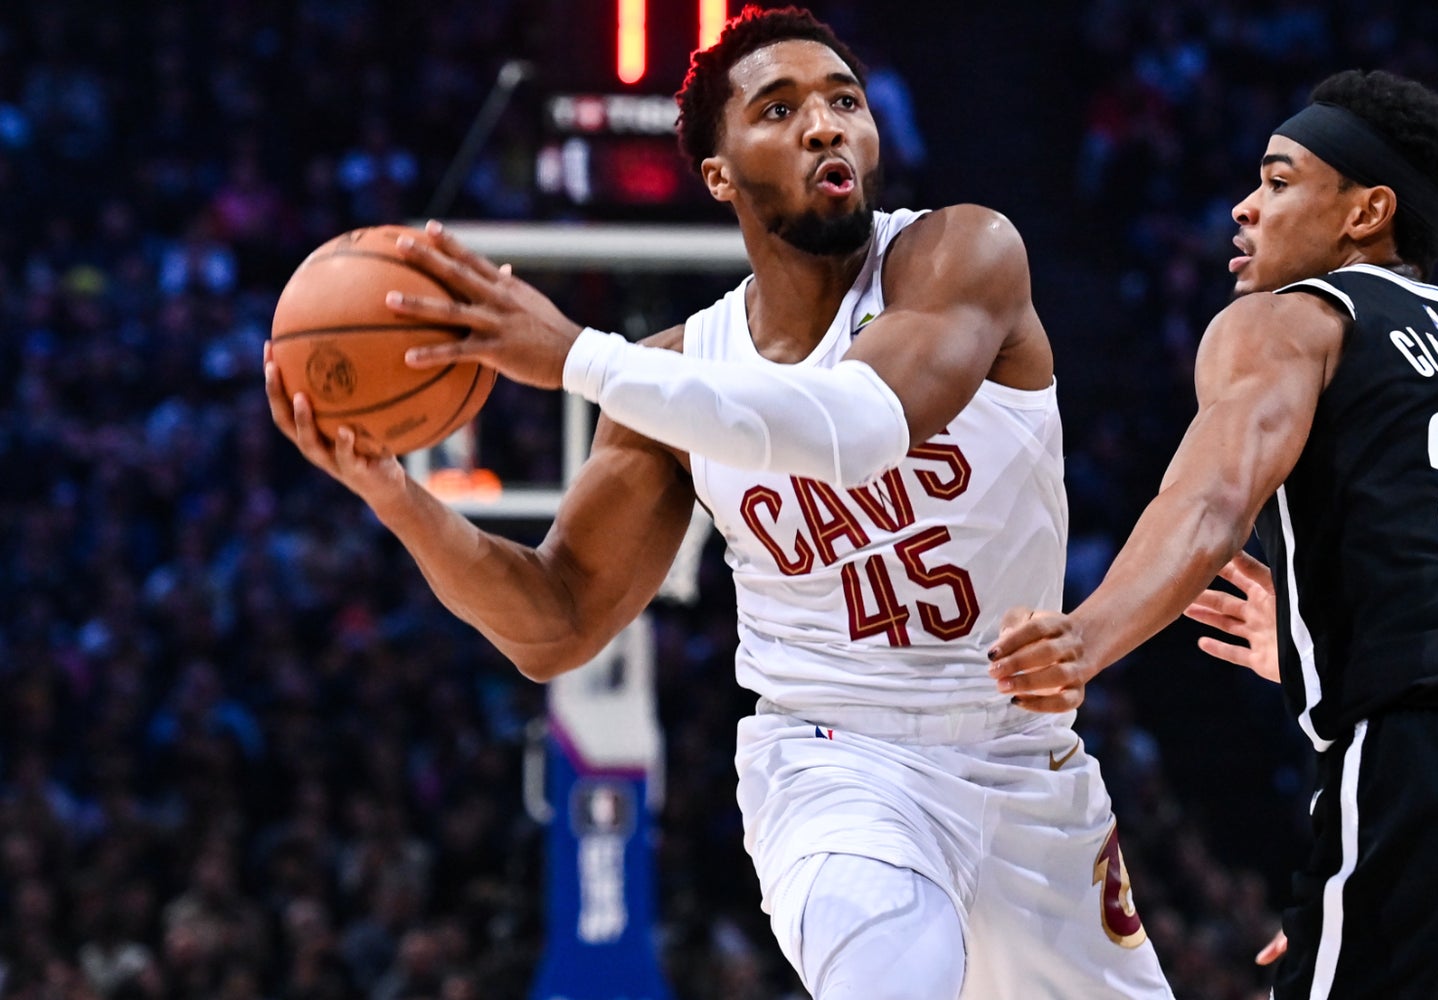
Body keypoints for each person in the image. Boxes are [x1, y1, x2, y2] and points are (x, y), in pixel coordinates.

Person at [264, 8, 1173, 999]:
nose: (824, 124)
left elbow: (859, 426)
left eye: (843, 101)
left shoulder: (961, 256)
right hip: (832, 761)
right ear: (719, 173)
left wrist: (574, 357)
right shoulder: (674, 379)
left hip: (1023, 766)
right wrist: (398, 499)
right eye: (779, 109)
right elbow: (556, 623)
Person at [986, 68, 1438, 997]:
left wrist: (1087, 638)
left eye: (1279, 182)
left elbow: (1213, 502)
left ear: (1365, 213)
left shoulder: (1294, 319)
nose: (1245, 208)